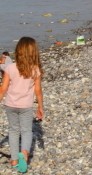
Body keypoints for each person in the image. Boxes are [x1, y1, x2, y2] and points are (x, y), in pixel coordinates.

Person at [0, 37, 44, 173]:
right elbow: (38, 90)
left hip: (10, 105)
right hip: (26, 106)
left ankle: (14, 160)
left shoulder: (10, 68)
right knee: (26, 131)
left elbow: (3, 88)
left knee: (13, 131)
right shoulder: (35, 70)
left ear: (18, 51)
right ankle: (24, 154)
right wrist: (40, 107)